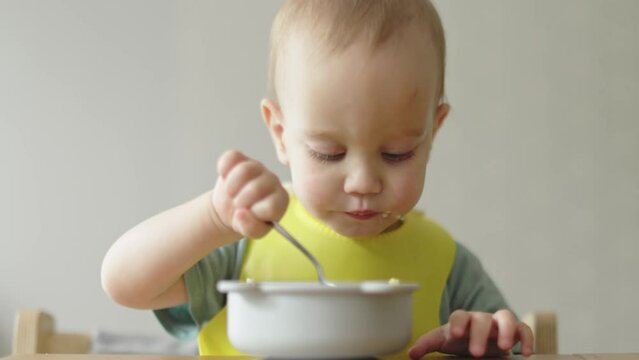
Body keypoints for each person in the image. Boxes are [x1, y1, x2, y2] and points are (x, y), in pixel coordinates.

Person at [101, 1, 534, 358]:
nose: (363, 182)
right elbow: (123, 282)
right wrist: (213, 217)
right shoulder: (246, 239)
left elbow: (510, 346)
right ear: (280, 134)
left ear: (433, 131)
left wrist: (486, 344)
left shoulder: (448, 266)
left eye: (397, 153)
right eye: (329, 153)